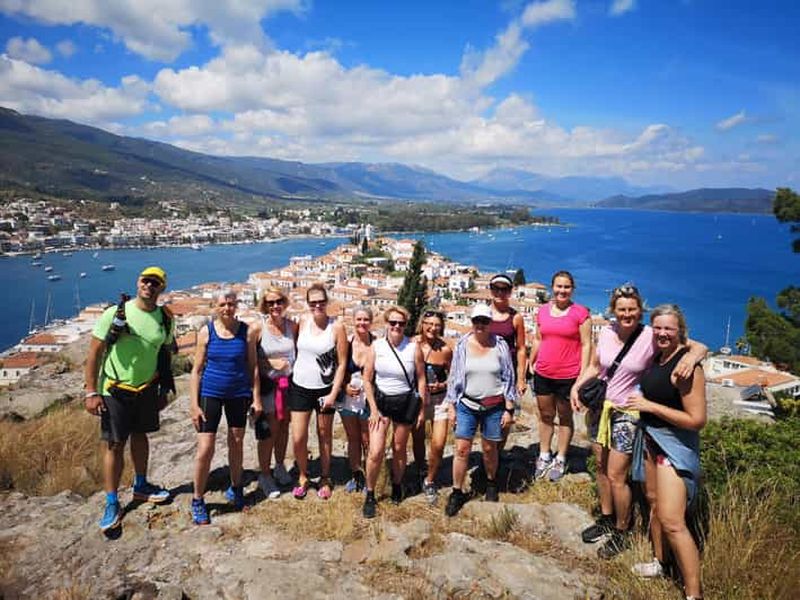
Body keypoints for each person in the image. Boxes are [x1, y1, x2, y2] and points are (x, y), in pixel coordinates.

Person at [570, 284, 706, 559]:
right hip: (600, 409)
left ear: (640, 309)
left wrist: (692, 358)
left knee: (617, 475)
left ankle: (623, 529)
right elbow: (596, 366)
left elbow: (697, 345)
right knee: (600, 466)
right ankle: (607, 517)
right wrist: (577, 386)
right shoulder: (607, 331)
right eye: (622, 309)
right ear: (613, 310)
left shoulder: (650, 335)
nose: (627, 314)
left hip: (628, 413)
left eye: (632, 309)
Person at [84, 266, 174, 532]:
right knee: (113, 444)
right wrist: (91, 391)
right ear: (138, 282)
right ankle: (111, 501)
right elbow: (94, 353)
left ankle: (141, 485)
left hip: (146, 388)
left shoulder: (165, 319)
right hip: (115, 388)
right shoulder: (115, 314)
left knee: (141, 436)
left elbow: (164, 353)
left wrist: (163, 388)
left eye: (155, 283)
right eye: (146, 280)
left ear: (161, 289)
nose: (149, 285)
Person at [627, 305, 706, 600]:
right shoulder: (660, 357)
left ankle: (693, 594)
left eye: (669, 329)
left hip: (672, 448)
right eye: (657, 327)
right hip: (650, 440)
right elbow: (699, 346)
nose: (662, 333)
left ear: (680, 332)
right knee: (655, 504)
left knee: (673, 521)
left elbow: (697, 420)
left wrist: (650, 406)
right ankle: (661, 563)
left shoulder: (687, 367)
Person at [188, 290, 261, 524]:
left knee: (236, 442)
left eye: (231, 304)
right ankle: (198, 499)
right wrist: (193, 404)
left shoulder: (246, 332)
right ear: (215, 307)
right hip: (211, 393)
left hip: (238, 394)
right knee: (205, 448)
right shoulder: (206, 332)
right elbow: (196, 370)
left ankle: (237, 488)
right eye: (222, 304)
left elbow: (253, 367)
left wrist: (256, 397)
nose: (227, 308)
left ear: (236, 305)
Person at [444, 303, 517, 517]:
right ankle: (457, 491)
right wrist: (451, 406)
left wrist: (509, 409)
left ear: (490, 323)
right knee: (461, 449)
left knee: (489, 448)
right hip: (467, 404)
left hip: (494, 406)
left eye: (485, 321)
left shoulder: (500, 346)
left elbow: (508, 377)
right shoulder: (462, 345)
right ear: (472, 322)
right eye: (477, 321)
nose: (480, 325)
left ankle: (491, 482)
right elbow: (455, 377)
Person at [362, 305, 428, 518]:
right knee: (376, 451)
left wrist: (420, 409)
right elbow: (367, 378)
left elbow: (420, 378)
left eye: (401, 323)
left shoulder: (413, 348)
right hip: (381, 403)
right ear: (386, 324)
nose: (397, 327)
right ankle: (370, 493)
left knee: (399, 448)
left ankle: (397, 485)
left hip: (405, 403)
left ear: (406, 325)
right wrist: (372, 408)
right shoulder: (376, 347)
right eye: (393, 323)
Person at [529, 271, 592, 482]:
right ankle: (545, 454)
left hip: (569, 375)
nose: (562, 290)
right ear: (552, 287)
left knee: (565, 417)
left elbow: (586, 345)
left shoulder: (580, 313)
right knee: (545, 415)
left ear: (572, 289)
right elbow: (538, 338)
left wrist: (582, 375)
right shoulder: (543, 312)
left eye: (566, 287)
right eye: (558, 286)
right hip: (544, 372)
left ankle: (562, 457)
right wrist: (531, 360)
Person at [289, 283, 348, 500]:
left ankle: (325, 476)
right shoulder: (302, 322)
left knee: (324, 435)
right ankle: (303, 476)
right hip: (300, 387)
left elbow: (342, 363)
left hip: (325, 390)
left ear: (327, 302)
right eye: (312, 302)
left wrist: (333, 394)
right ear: (307, 304)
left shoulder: (337, 327)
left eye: (321, 302)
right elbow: (295, 350)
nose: (317, 306)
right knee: (298, 437)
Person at [251, 287, 298, 498]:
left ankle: (279, 466)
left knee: (284, 427)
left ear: (285, 302)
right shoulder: (257, 330)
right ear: (265, 306)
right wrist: (268, 362)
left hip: (290, 385)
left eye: (279, 301)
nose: (275, 306)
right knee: (269, 431)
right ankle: (265, 474)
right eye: (270, 303)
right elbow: (250, 361)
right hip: (269, 388)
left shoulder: (292, 327)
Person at [411, 307, 453, 504]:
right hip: (417, 400)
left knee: (438, 443)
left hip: (439, 400)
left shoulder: (445, 350)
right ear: (422, 324)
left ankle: (430, 480)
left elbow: (453, 377)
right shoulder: (411, 344)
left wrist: (442, 384)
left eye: (437, 325)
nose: (433, 328)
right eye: (429, 324)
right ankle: (420, 470)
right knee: (418, 440)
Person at [487, 274, 527, 450]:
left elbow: (521, 348)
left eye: (504, 289)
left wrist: (521, 378)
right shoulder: (483, 314)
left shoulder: (515, 318)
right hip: (485, 373)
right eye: (496, 288)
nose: (500, 292)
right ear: (491, 290)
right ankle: (489, 454)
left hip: (507, 375)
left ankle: (498, 452)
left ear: (510, 292)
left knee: (506, 417)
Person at [339, 306, 375, 493]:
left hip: (370, 400)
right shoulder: (346, 343)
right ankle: (356, 474)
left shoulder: (377, 344)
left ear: (371, 322)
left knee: (367, 439)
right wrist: (344, 386)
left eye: (365, 319)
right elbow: (338, 369)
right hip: (348, 399)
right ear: (353, 321)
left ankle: (371, 474)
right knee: (352, 438)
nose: (362, 323)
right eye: (359, 319)